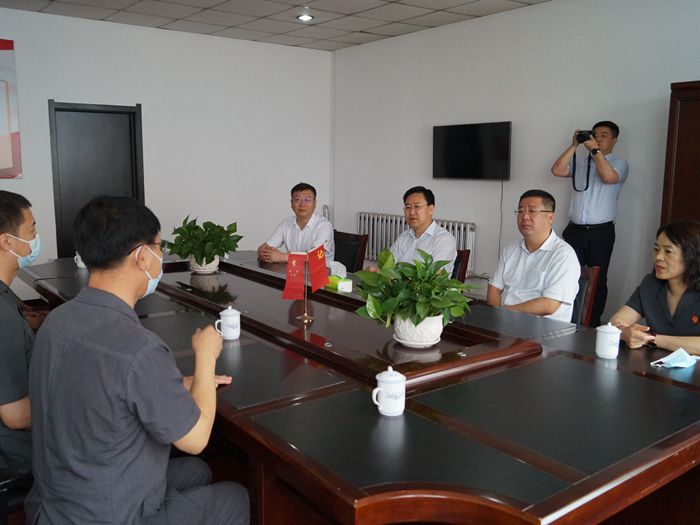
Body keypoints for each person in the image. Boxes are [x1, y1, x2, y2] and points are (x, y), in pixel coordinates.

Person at [26, 196, 249, 525]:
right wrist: (205, 356)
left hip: (55, 502)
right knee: (234, 496)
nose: (161, 256)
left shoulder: (56, 321)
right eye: (159, 248)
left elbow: (102, 385)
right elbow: (197, 438)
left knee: (197, 472)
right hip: (108, 515)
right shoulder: (139, 348)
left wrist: (174, 384)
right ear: (142, 256)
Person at [551, 120, 629, 327]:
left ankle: (592, 324)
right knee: (568, 274)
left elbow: (609, 177)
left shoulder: (619, 163)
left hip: (601, 232)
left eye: (604, 135)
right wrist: (574, 145)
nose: (598, 139)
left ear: (614, 140)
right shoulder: (581, 162)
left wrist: (595, 151)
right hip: (574, 230)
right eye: (595, 135)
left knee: (598, 280)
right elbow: (557, 170)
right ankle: (568, 319)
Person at [488, 189, 580, 323]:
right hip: (505, 323)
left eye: (532, 211)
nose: (524, 217)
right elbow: (494, 289)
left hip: (542, 330)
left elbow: (549, 305)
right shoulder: (510, 248)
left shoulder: (563, 254)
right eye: (520, 211)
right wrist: (495, 319)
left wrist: (504, 313)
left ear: (550, 217)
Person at [609, 221, 700, 354]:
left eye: (668, 251)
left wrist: (652, 339)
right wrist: (625, 332)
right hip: (653, 364)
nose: (658, 257)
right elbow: (616, 322)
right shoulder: (650, 284)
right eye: (656, 249)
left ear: (691, 256)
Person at [0, 190, 40, 474]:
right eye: (32, 230)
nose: (36, 238)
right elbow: (16, 416)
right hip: (15, 454)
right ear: (6, 241)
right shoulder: (3, 317)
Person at [374, 186, 457, 274]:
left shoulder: (444, 240)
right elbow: (387, 266)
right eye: (408, 207)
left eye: (417, 206)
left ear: (431, 209)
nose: (412, 212)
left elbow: (434, 277)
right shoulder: (403, 237)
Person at [257, 182, 334, 266]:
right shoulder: (286, 224)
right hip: (294, 271)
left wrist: (281, 257)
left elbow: (316, 256)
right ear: (291, 203)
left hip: (320, 272)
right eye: (297, 200)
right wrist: (264, 253)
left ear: (315, 203)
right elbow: (263, 248)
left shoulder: (324, 226)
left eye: (307, 200)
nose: (302, 204)